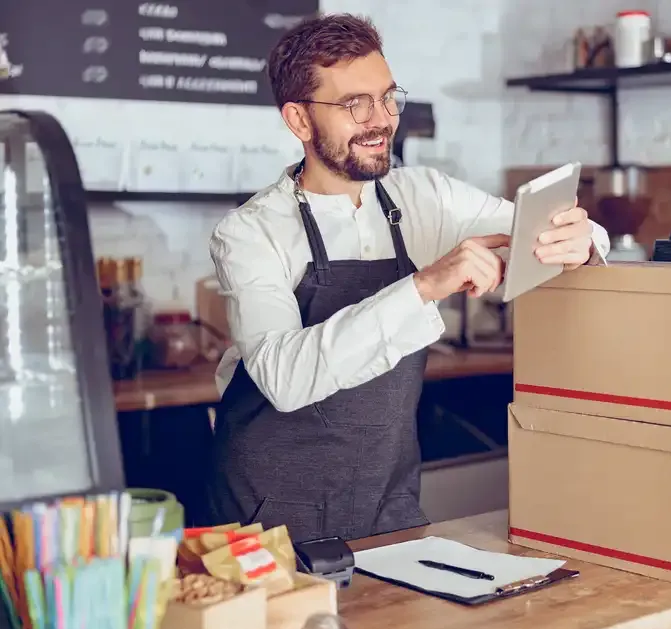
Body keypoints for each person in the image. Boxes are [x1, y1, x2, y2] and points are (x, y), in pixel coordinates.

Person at [200, 13, 610, 543]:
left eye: (388, 97)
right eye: (355, 104)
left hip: (386, 503)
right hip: (267, 513)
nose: (382, 120)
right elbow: (284, 378)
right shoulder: (250, 232)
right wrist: (425, 286)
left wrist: (580, 242)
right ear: (299, 121)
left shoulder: (425, 196)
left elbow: (551, 229)